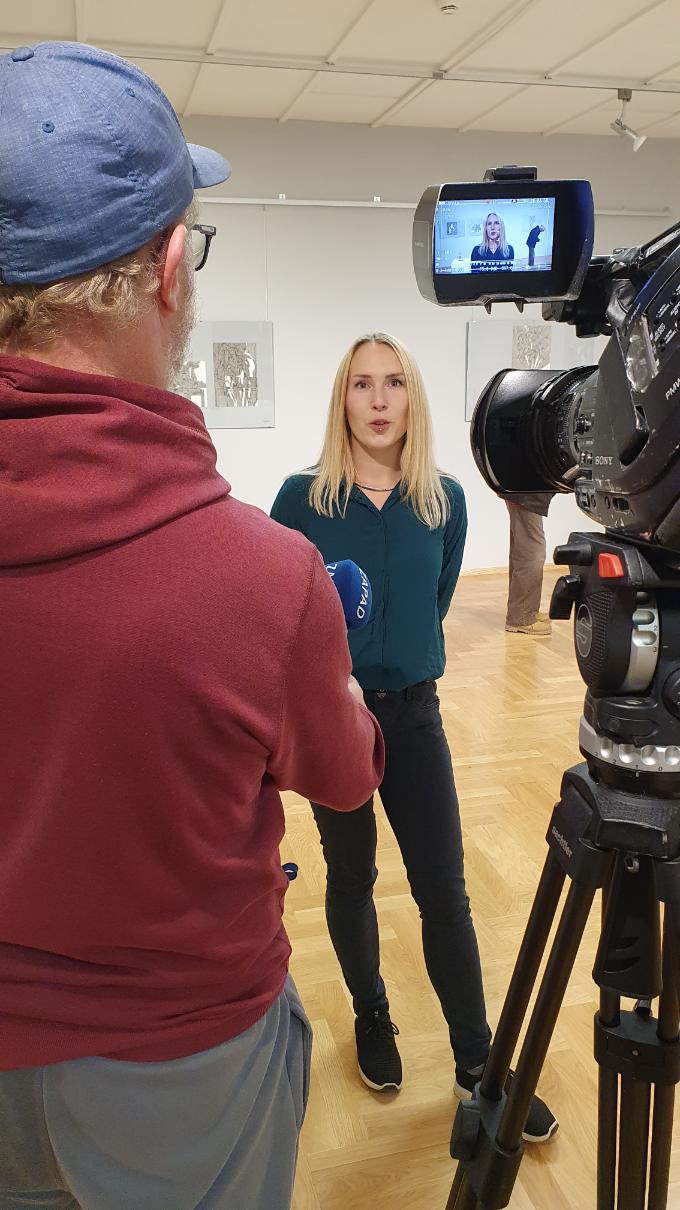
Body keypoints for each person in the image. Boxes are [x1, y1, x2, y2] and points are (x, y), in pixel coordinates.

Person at [0, 41, 384, 1210]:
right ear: (171, 269)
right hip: (181, 1066)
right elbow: (345, 774)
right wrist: (332, 674)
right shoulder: (264, 576)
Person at [270, 333, 558, 1144]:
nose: (378, 399)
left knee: (444, 891)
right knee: (352, 874)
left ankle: (478, 1065)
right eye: (362, 384)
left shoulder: (444, 501)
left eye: (393, 382)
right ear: (343, 398)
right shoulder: (302, 500)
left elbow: (436, 598)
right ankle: (372, 1014)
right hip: (336, 721)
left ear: (412, 398)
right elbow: (282, 611)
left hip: (417, 718)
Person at [503, 492, 555, 635]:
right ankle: (522, 618)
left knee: (522, 549)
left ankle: (526, 611)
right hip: (526, 494)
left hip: (522, 492)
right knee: (532, 552)